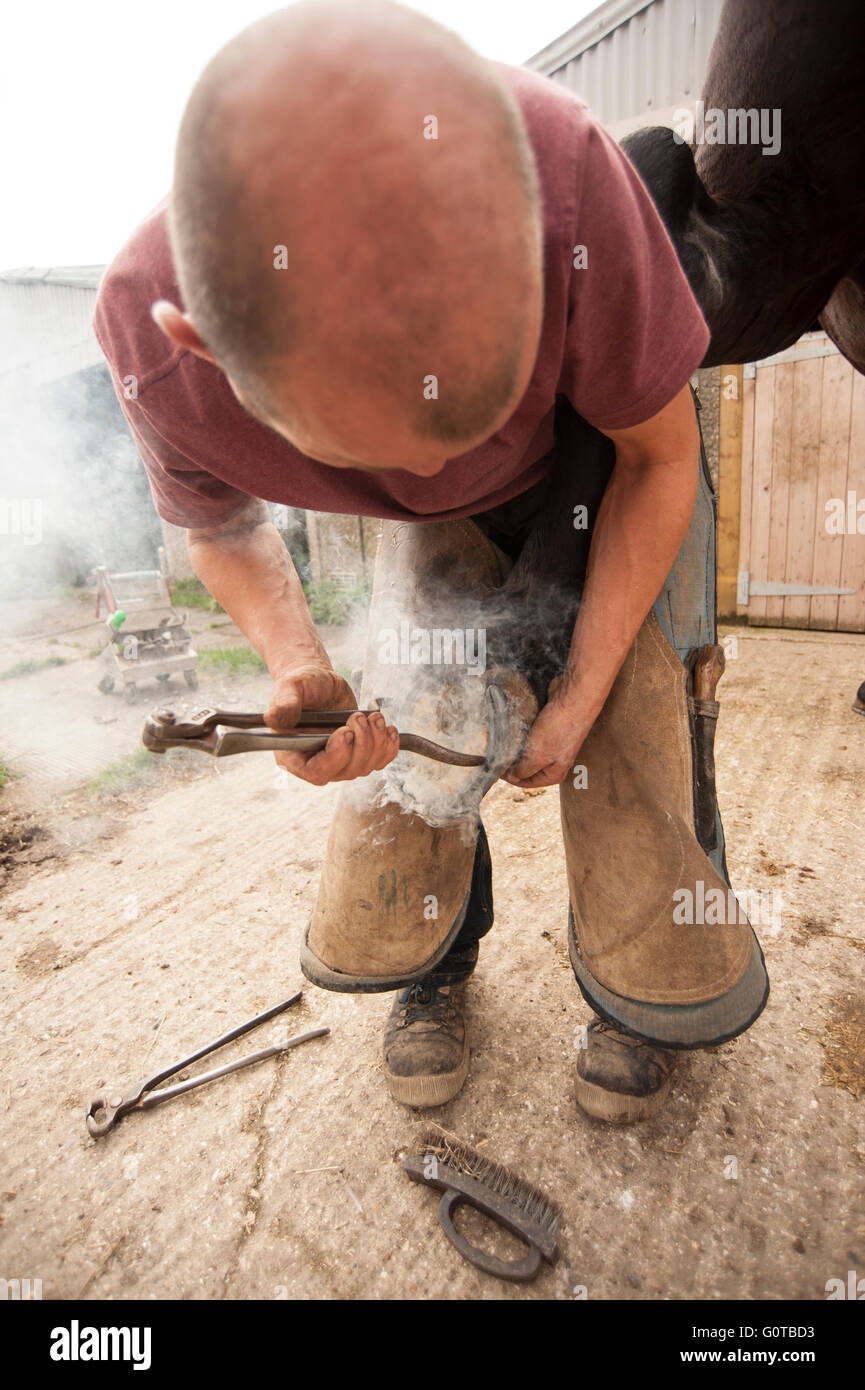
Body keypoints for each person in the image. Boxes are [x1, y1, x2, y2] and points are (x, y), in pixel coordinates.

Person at [94, 0, 767, 1124]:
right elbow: (217, 528)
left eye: (460, 423)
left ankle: (644, 988)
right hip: (483, 448)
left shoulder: (569, 186)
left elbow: (658, 462)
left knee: (640, 729)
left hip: (615, 452)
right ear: (214, 350)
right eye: (388, 450)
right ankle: (433, 968)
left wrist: (580, 694)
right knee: (413, 742)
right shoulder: (152, 348)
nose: (435, 473)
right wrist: (298, 664)